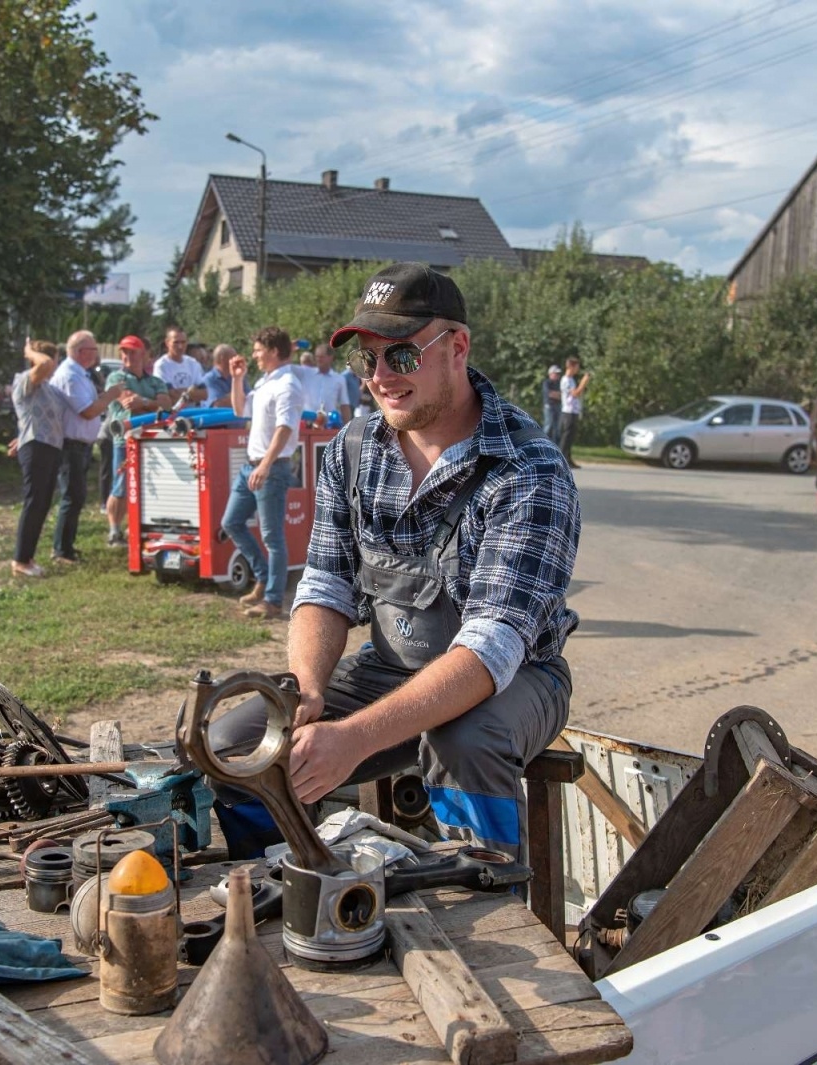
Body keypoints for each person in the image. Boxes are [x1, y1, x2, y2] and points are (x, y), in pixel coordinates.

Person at [207, 262, 579, 860]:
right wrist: (306, 689)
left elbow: (493, 646)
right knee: (238, 747)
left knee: (466, 740)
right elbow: (325, 587)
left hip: (513, 679)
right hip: (387, 667)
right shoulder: (351, 453)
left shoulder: (528, 470)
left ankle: (487, 902)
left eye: (401, 356)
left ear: (456, 347)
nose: (381, 377)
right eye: (367, 359)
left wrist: (352, 739)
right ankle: (277, 885)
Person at [221, 326, 305, 620]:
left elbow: (285, 428)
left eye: (258, 350)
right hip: (253, 465)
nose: (254, 355)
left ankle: (272, 600)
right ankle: (263, 577)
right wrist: (237, 379)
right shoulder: (267, 380)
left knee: (272, 537)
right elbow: (239, 409)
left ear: (272, 350)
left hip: (270, 466)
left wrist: (265, 465)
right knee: (231, 522)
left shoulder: (288, 384)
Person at [51, 330, 127, 563]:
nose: (96, 354)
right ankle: (61, 550)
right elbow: (88, 411)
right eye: (93, 350)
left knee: (77, 496)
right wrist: (112, 395)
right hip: (69, 445)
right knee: (72, 497)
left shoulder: (80, 374)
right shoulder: (69, 376)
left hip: (80, 445)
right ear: (81, 352)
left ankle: (67, 546)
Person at [104, 335, 173, 545]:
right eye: (124, 352)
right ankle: (114, 531)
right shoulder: (116, 378)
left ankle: (139, 528)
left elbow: (167, 404)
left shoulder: (155, 381)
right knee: (122, 486)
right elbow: (127, 401)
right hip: (125, 440)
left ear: (144, 355)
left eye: (133, 352)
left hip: (152, 440)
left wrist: (143, 401)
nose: (127, 356)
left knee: (150, 485)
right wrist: (152, 404)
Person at [9, 339, 67, 578]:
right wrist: (30, 352)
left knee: (43, 503)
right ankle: (20, 559)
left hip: (51, 446)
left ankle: (28, 556)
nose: (55, 364)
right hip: (36, 446)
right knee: (34, 502)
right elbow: (42, 365)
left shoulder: (48, 387)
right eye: (53, 358)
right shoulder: (25, 380)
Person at [295, 341, 353, 424]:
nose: (318, 359)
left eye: (322, 357)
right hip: (307, 424)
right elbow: (284, 367)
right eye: (317, 357)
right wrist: (292, 346)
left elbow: (344, 405)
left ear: (330, 358)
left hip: (329, 426)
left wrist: (348, 428)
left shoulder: (339, 379)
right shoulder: (306, 373)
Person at [152, 325, 207, 408]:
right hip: (172, 415)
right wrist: (192, 392)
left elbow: (204, 394)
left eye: (183, 342)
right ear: (167, 343)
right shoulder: (161, 366)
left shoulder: (193, 363)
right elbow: (170, 396)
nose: (180, 346)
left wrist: (181, 394)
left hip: (194, 413)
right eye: (176, 342)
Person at [558, 357, 589, 468]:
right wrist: (583, 382)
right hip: (568, 411)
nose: (577, 369)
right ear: (571, 366)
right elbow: (575, 393)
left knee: (570, 437)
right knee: (566, 437)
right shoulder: (566, 380)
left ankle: (568, 459)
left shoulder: (571, 380)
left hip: (574, 411)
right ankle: (561, 460)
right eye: (576, 367)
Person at [541, 364, 562, 440]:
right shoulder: (546, 382)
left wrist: (556, 394)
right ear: (551, 373)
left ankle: (555, 445)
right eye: (556, 373)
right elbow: (550, 394)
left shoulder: (559, 383)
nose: (558, 375)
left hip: (558, 406)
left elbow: (562, 394)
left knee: (557, 427)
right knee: (548, 425)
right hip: (549, 406)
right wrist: (558, 394)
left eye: (558, 374)